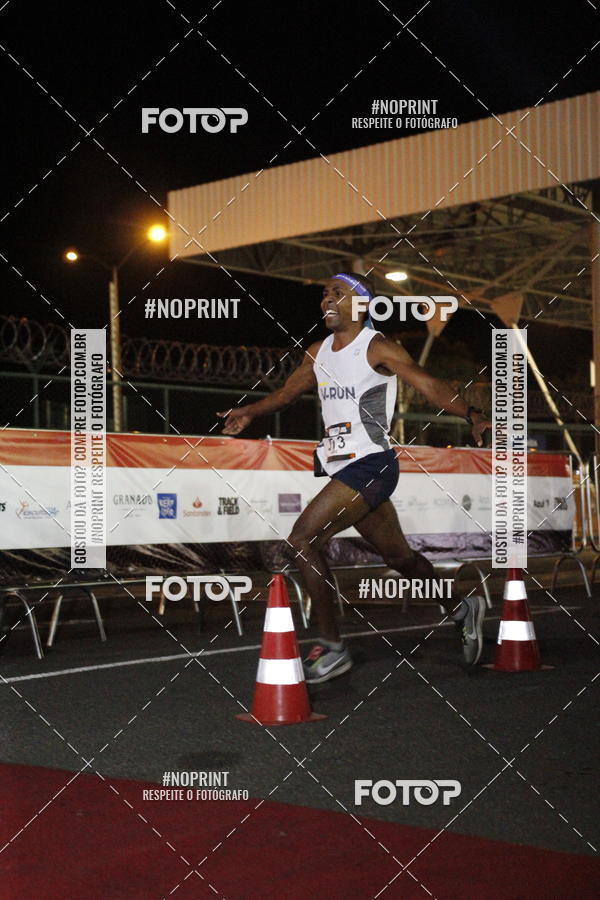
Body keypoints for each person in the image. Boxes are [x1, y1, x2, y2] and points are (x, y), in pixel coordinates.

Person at [218, 273, 491, 683]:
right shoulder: (318, 352)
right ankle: (461, 608)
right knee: (398, 558)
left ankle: (333, 648)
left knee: (302, 540)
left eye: (338, 293)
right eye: (324, 293)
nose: (327, 299)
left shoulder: (376, 346)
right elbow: (287, 394)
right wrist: (248, 411)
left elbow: (427, 384)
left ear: (362, 304)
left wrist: (471, 414)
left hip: (372, 464)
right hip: (343, 467)